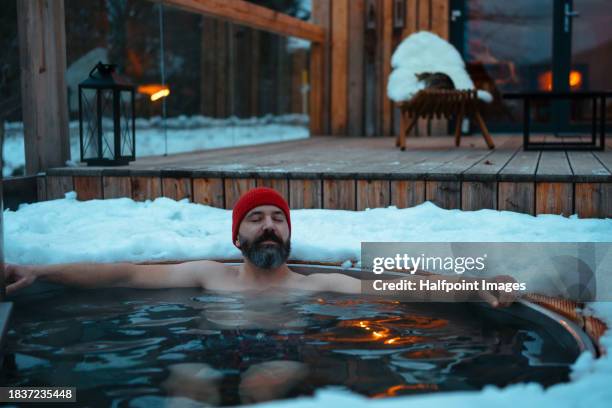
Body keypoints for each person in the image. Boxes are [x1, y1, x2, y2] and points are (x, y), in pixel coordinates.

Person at [4, 187, 515, 306]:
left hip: (281, 353)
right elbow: (123, 275)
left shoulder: (321, 283)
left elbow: (400, 286)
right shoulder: (207, 275)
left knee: (263, 387)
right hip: (203, 353)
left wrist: (474, 287)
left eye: (278, 219)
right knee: (188, 392)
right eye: (256, 219)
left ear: (289, 235)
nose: (269, 226)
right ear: (238, 237)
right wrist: (42, 272)